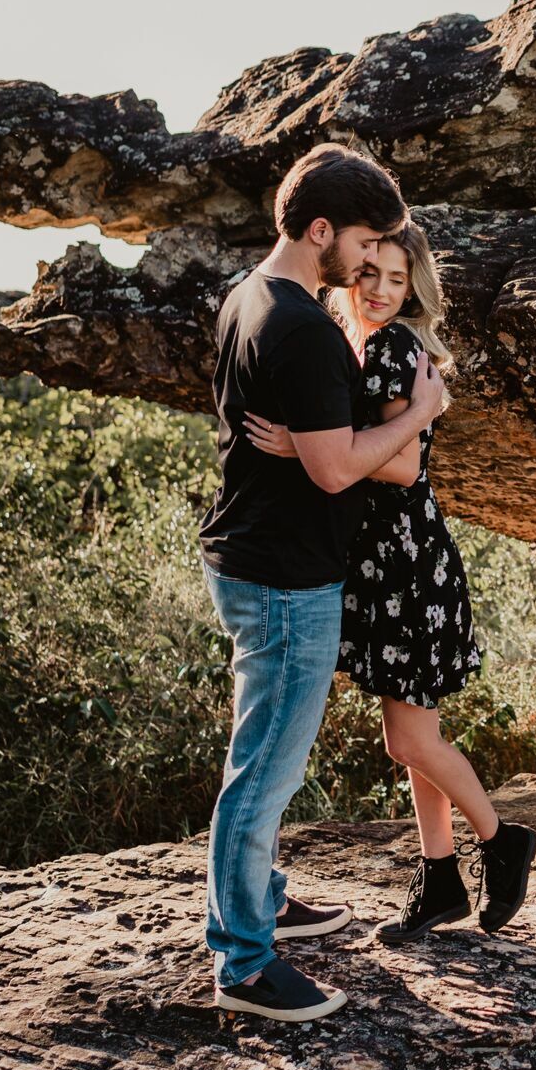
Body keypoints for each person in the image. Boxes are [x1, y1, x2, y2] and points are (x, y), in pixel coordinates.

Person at [198, 143, 441, 1022]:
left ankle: (260, 901)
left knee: (262, 756)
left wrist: (313, 445)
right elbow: (339, 471)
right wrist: (419, 411)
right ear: (322, 229)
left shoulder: (247, 296)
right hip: (283, 578)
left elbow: (304, 444)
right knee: (264, 772)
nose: (373, 260)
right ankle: (244, 963)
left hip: (258, 558)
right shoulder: (299, 325)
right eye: (367, 241)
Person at [243, 225, 536, 945]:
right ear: (346, 272)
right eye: (369, 272)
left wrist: (303, 445)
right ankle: (441, 878)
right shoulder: (351, 341)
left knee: (410, 741)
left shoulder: (393, 349)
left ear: (415, 290)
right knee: (409, 736)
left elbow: (404, 467)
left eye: (397, 280)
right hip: (384, 565)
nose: (379, 288)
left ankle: (503, 841)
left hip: (406, 567)